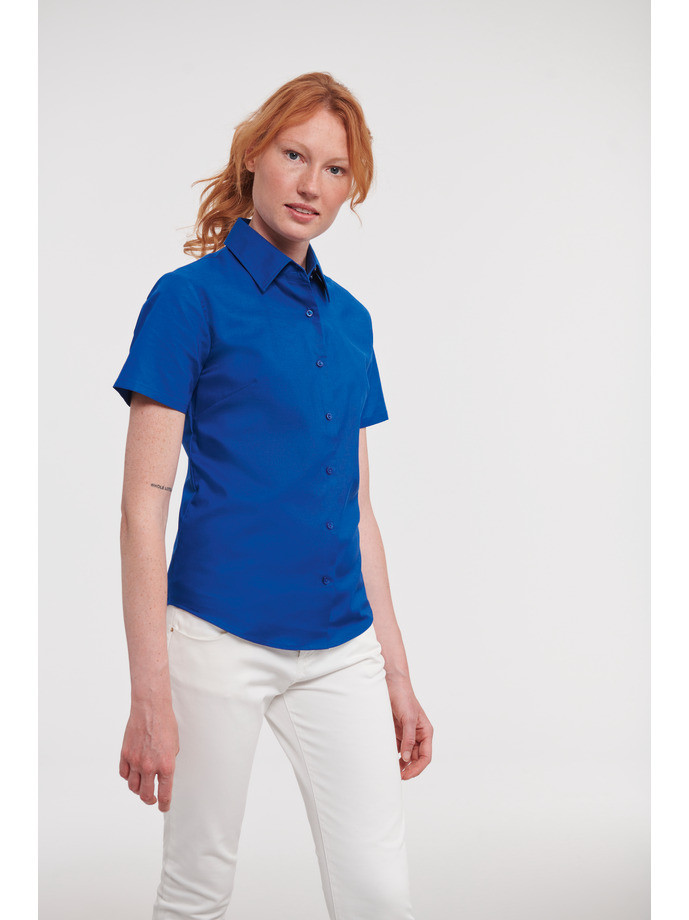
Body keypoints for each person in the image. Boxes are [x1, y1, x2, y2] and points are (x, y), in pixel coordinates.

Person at [113, 71, 433, 920]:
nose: (310, 184)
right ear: (254, 154)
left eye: (334, 169)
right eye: (294, 155)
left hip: (341, 644)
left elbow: (358, 510)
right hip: (217, 637)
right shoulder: (187, 301)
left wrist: (395, 672)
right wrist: (150, 695)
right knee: (198, 886)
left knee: (378, 894)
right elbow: (142, 506)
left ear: (350, 188)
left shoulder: (352, 321)